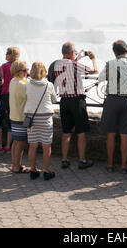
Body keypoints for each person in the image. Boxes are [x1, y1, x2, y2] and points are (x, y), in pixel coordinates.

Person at [98, 40, 127, 174]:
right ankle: (124, 166)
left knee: (111, 134)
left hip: (112, 100)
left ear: (114, 52)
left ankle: (110, 164)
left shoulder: (110, 64)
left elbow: (100, 79)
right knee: (125, 135)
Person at [53, 42, 98, 170]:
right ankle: (82, 160)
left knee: (66, 132)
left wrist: (77, 58)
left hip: (64, 101)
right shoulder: (74, 65)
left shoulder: (57, 64)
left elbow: (69, 66)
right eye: (75, 52)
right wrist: (93, 58)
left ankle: (64, 159)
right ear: (70, 53)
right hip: (77, 101)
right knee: (81, 132)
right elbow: (94, 70)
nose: (76, 54)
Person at [25, 62, 58, 180]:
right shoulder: (49, 85)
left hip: (32, 118)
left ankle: (33, 170)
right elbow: (54, 99)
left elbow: (25, 98)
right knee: (46, 146)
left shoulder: (27, 85)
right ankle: (46, 171)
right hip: (45, 118)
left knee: (32, 146)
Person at [0, 47, 20, 153]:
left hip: (4, 95)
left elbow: (0, 81)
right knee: (11, 121)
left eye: (7, 53)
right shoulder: (19, 67)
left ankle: (0, 145)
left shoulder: (4, 66)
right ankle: (8, 147)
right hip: (15, 97)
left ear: (12, 55)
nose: (6, 55)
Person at [8, 60, 29, 173]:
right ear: (18, 71)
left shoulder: (13, 81)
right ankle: (17, 166)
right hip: (21, 116)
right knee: (20, 143)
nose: (27, 72)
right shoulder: (22, 84)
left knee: (15, 142)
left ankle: (14, 164)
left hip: (14, 115)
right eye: (24, 70)